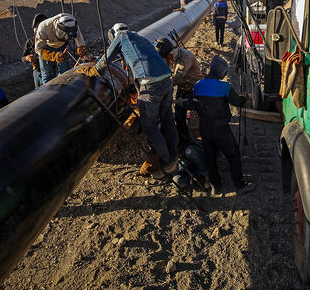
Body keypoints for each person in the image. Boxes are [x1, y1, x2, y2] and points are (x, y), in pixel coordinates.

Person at [96, 23, 179, 179]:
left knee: (150, 126)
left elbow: (105, 59)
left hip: (152, 86)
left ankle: (166, 163)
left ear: (113, 34)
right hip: (166, 82)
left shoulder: (120, 37)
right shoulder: (138, 37)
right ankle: (173, 156)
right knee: (168, 119)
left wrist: (95, 69)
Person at [177, 55, 253, 195]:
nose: (225, 75)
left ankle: (215, 186)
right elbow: (237, 102)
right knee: (233, 155)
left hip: (204, 128)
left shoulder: (199, 85)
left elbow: (192, 103)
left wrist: (179, 102)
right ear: (220, 71)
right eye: (224, 72)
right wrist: (244, 98)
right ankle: (239, 185)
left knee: (210, 157)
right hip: (221, 129)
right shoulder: (224, 86)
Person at [154, 37, 203, 147]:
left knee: (196, 117)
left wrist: (158, 90)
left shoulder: (185, 58)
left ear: (170, 55)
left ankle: (199, 141)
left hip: (195, 88)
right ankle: (183, 139)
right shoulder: (169, 56)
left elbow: (176, 78)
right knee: (179, 115)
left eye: (166, 58)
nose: (166, 61)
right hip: (183, 88)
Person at [35, 13, 89, 84]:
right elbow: (39, 50)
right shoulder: (44, 27)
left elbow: (79, 39)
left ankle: (62, 88)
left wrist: (82, 50)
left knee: (65, 72)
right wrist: (54, 56)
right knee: (47, 74)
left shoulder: (72, 23)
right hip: (47, 48)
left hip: (62, 47)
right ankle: (49, 91)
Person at [22, 13, 48, 88]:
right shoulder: (30, 42)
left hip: (50, 71)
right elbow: (23, 58)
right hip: (37, 73)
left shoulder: (51, 40)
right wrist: (27, 58)